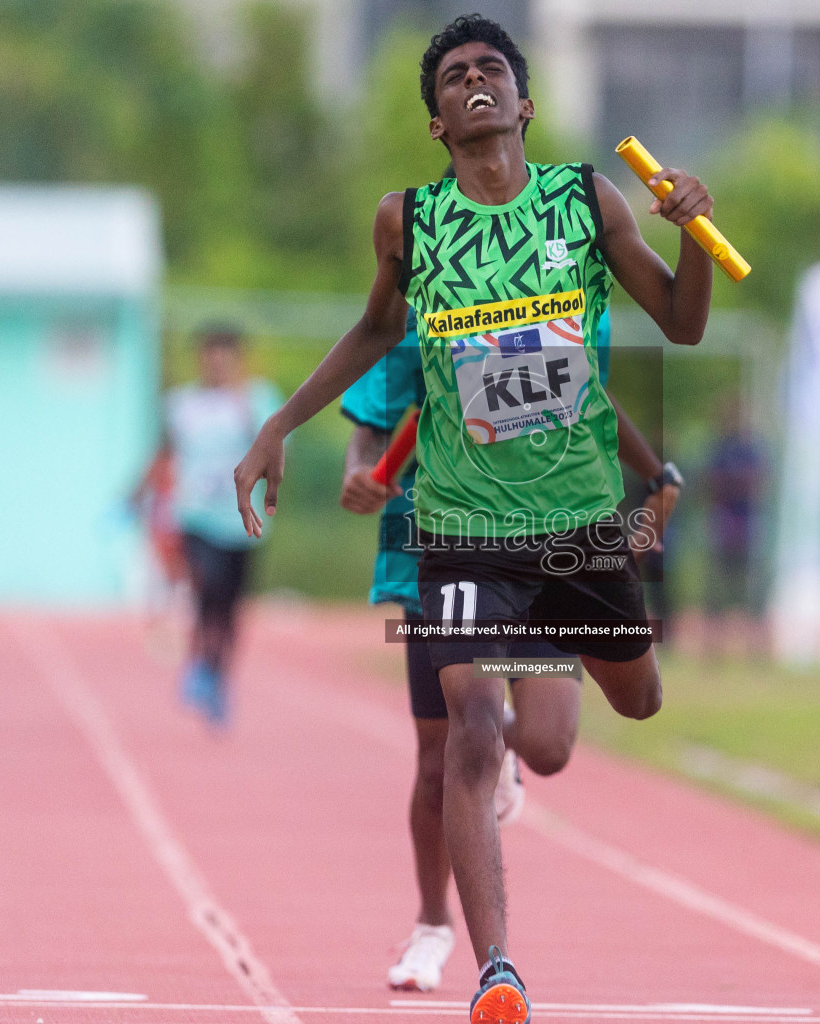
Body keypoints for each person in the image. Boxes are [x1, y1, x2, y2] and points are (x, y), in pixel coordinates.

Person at [233, 15, 715, 1022]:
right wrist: (280, 422)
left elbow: (683, 320)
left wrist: (693, 235)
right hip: (458, 523)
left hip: (579, 519)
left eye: (492, 68)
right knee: (472, 731)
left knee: (596, 724)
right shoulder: (409, 220)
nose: (475, 82)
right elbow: (372, 330)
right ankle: (498, 968)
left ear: (525, 102)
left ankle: (557, 652)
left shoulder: (586, 201)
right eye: (454, 77)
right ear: (437, 121)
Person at [339, 307, 677, 993]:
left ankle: (504, 757)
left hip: (547, 547)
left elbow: (590, 396)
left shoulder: (555, 300)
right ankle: (435, 924)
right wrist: (362, 471)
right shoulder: (414, 318)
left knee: (549, 744)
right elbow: (372, 425)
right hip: (445, 553)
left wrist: (654, 473)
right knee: (442, 759)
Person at [137, 324, 281, 727]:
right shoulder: (181, 403)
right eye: (209, 354)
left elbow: (275, 449)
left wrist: (245, 407)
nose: (216, 362)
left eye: (225, 354)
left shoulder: (258, 399)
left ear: (238, 359)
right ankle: (199, 663)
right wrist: (135, 497)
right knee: (206, 588)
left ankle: (219, 673)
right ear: (199, 358)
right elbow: (163, 452)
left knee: (229, 606)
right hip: (195, 516)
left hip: (242, 521)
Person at [703, 401, 767, 655]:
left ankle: (757, 647)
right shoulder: (719, 449)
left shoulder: (752, 449)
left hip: (747, 527)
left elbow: (758, 482)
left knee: (753, 592)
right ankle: (713, 648)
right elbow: (712, 484)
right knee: (718, 592)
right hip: (725, 526)